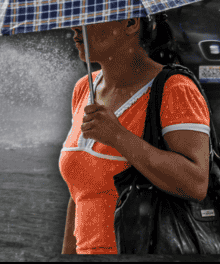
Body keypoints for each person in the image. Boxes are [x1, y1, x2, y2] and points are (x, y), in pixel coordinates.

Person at [60, 16, 211, 254]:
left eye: (90, 17)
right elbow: (79, 195)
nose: (76, 27)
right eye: (77, 16)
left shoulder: (175, 89)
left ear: (130, 23)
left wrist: (118, 137)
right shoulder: (83, 89)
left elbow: (196, 183)